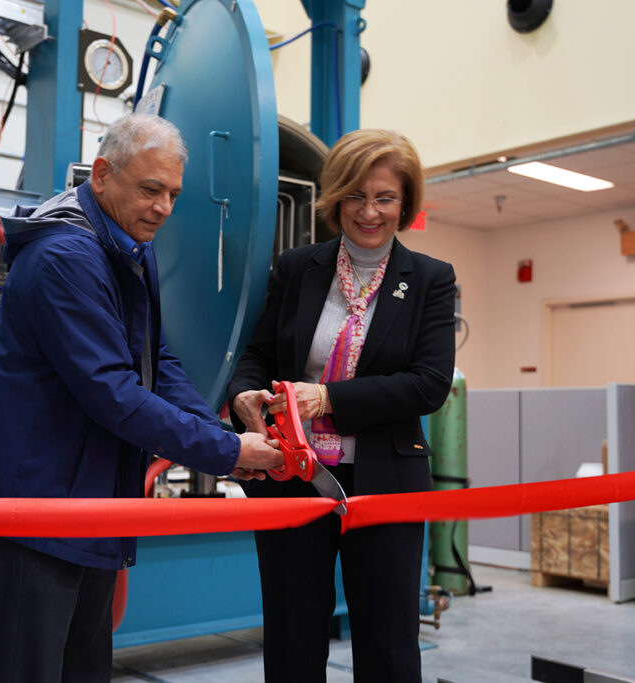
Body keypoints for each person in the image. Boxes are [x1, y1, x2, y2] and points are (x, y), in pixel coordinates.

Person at [0, 114, 283, 682]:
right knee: (28, 672)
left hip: (88, 504)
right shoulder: (67, 257)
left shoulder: (128, 243)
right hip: (38, 509)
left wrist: (224, 433)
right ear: (104, 174)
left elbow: (156, 361)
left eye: (173, 195)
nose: (162, 208)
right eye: (150, 189)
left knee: (84, 669)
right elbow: (114, 393)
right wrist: (226, 454)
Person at [227, 128, 456, 683]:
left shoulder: (430, 279)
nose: (369, 211)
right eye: (356, 195)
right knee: (292, 636)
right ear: (335, 199)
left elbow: (428, 383)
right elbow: (257, 354)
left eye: (385, 198)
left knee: (389, 643)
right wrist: (243, 395)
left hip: (386, 480)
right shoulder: (296, 267)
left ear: (405, 204)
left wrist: (327, 397)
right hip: (293, 477)